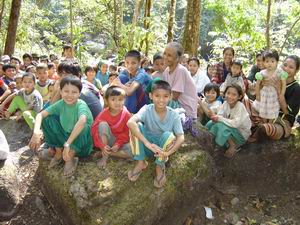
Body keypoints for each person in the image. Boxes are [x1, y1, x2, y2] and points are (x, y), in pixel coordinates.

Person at [29, 76, 94, 177]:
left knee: (84, 126)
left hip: (81, 144)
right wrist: (36, 132)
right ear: (61, 92)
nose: (69, 95)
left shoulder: (81, 104)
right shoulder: (61, 104)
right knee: (47, 119)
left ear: (79, 94)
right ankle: (58, 152)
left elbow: (82, 121)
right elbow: (40, 115)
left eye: (74, 92)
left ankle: (71, 156)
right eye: (66, 91)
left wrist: (68, 144)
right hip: (65, 140)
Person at [127, 80, 184, 188]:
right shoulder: (146, 109)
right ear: (151, 96)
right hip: (147, 146)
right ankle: (140, 162)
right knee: (135, 126)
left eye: (165, 96)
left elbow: (181, 137)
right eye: (157, 96)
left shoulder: (174, 115)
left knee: (169, 136)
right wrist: (147, 143)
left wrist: (168, 153)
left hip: (162, 149)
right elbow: (130, 122)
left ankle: (159, 165)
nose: (161, 100)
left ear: (170, 97)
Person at [249, 55, 300, 142]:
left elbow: (286, 112)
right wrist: (260, 85)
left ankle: (260, 128)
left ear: (297, 70)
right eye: (285, 65)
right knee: (245, 102)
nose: (286, 69)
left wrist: (278, 90)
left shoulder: (296, 88)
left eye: (291, 67)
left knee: (267, 128)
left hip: (281, 120)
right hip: (265, 112)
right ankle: (258, 125)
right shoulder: (273, 77)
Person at [91, 86, 132, 168]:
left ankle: (108, 153)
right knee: (102, 124)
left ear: (124, 100)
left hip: (120, 143)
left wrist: (118, 144)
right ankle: (105, 157)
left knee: (132, 151)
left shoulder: (126, 114)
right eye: (113, 99)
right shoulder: (103, 113)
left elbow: (127, 133)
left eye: (120, 99)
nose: (117, 102)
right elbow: (94, 129)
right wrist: (102, 146)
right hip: (107, 140)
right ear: (106, 101)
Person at [206, 84, 251, 158]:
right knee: (211, 123)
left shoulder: (240, 106)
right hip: (231, 130)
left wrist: (219, 118)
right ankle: (210, 141)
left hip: (240, 135)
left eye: (234, 95)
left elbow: (235, 124)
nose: (230, 96)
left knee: (220, 125)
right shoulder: (225, 103)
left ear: (239, 97)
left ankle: (233, 146)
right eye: (228, 93)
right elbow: (220, 115)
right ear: (225, 93)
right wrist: (215, 117)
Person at [162, 42, 198, 119]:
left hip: (185, 109)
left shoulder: (180, 70)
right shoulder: (166, 71)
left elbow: (174, 96)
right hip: (175, 104)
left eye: (169, 55)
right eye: (164, 53)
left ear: (177, 59)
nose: (165, 57)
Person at [253, 50, 288, 122]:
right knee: (264, 109)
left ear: (277, 62)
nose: (270, 64)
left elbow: (284, 84)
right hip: (264, 94)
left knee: (272, 109)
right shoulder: (262, 73)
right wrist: (257, 94)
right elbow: (257, 84)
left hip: (274, 94)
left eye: (272, 61)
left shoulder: (279, 72)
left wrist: (282, 94)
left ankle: (271, 123)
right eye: (267, 61)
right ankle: (264, 122)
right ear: (264, 62)